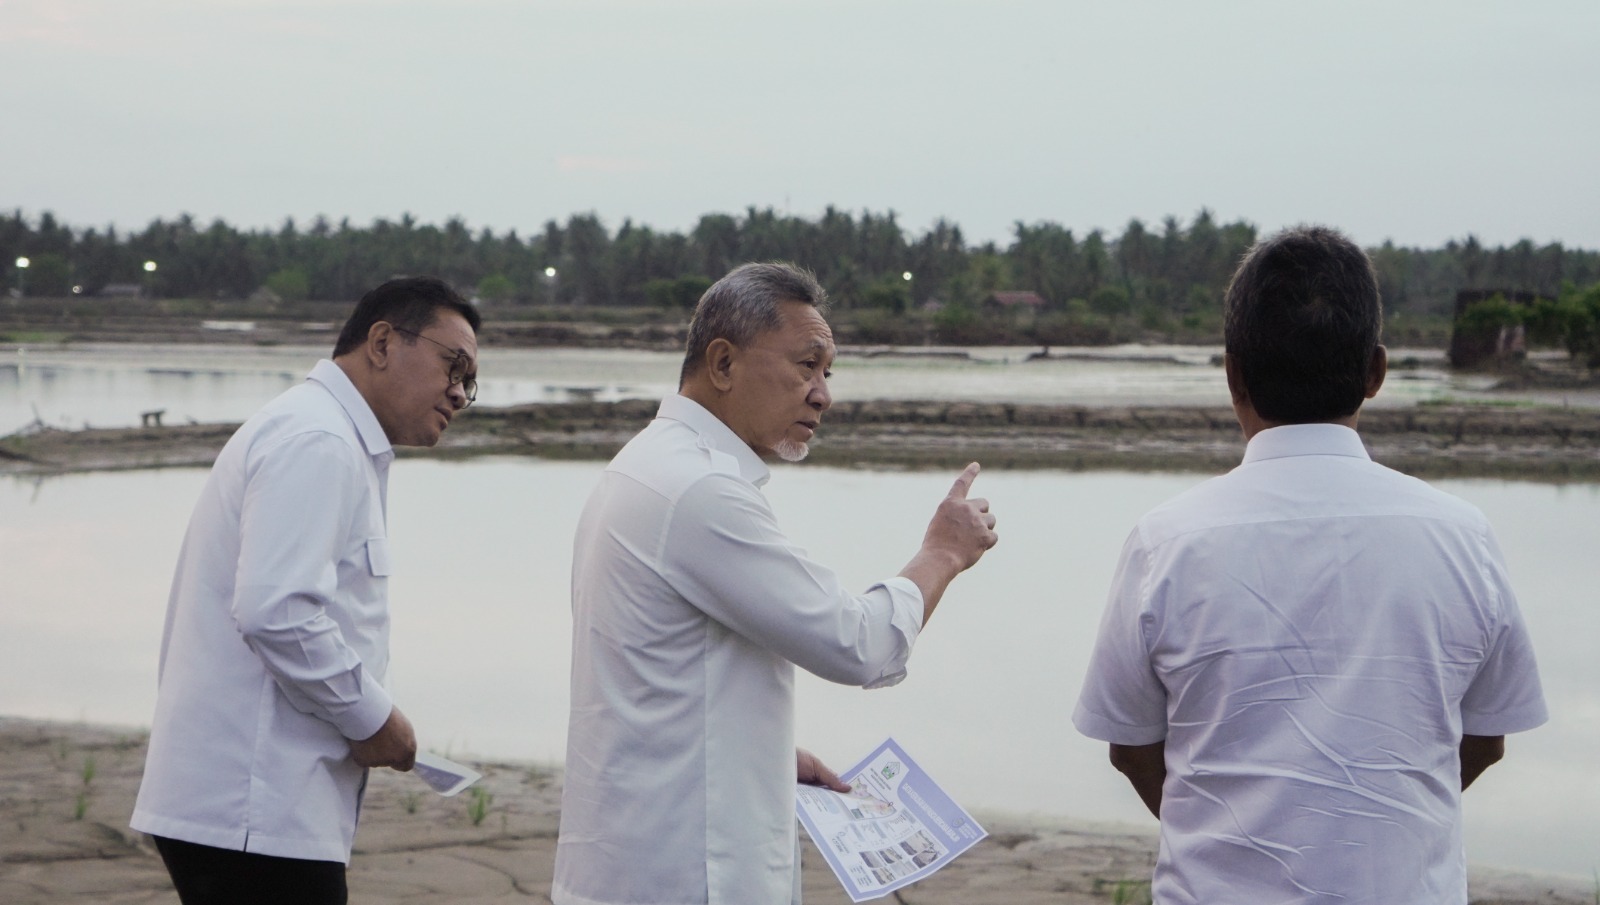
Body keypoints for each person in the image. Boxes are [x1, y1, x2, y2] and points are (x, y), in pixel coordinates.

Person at [1073, 226, 1547, 903]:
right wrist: (1372, 831)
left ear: (1232, 372)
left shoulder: (1166, 541)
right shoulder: (1461, 535)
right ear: (1376, 372)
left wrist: (1231, 833)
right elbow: (1486, 735)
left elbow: (1132, 746)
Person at [553, 261, 999, 905]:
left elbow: (653, 680)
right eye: (805, 365)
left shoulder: (647, 464)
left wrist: (760, 753)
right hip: (684, 875)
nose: (823, 394)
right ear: (724, 364)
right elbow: (857, 644)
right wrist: (942, 554)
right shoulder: (701, 489)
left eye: (827, 373)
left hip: (635, 859)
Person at [130, 276, 481, 905]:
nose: (459, 390)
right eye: (452, 365)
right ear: (381, 342)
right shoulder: (318, 440)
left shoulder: (327, 434)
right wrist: (375, 719)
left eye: (470, 380)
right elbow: (278, 610)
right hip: (253, 809)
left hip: (256, 808)